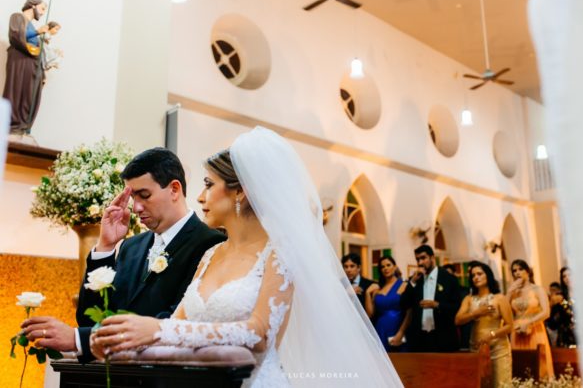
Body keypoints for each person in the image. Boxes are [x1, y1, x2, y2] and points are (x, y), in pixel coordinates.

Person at [91, 127, 402, 387]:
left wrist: (158, 330)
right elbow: (177, 324)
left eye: (209, 185)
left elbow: (259, 333)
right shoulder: (211, 255)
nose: (200, 196)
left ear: (240, 191)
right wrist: (122, 340)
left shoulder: (280, 254)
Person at [21, 147, 226, 362]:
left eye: (144, 196)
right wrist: (105, 247)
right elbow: (90, 318)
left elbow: (175, 322)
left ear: (174, 189)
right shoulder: (131, 246)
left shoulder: (210, 244)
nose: (136, 208)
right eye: (132, 198)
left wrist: (78, 339)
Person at [455, 261, 513, 388]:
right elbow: (458, 320)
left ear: (488, 275)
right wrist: (475, 313)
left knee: (501, 384)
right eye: (473, 275)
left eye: (479, 274)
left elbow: (510, 326)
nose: (476, 277)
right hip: (477, 348)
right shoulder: (469, 299)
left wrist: (491, 335)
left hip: (498, 349)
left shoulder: (499, 298)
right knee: (479, 384)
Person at [401, 244, 462, 352]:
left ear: (432, 257)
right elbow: (403, 304)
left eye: (423, 258)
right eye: (417, 259)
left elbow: (457, 306)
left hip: (442, 335)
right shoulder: (415, 279)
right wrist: (413, 282)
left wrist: (437, 305)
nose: (420, 262)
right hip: (420, 338)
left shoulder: (449, 279)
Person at [3, 0, 48, 135]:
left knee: (30, 93)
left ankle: (24, 125)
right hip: (20, 60)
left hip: (32, 64)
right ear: (33, 5)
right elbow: (16, 34)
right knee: (17, 90)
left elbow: (37, 48)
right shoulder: (18, 17)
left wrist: (43, 71)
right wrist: (37, 32)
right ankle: (13, 125)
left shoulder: (32, 26)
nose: (43, 12)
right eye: (42, 8)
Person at [507, 259, 554, 378]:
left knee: (538, 367)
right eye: (514, 271)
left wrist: (529, 323)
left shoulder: (537, 289)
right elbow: (505, 312)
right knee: (519, 368)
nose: (517, 273)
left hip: (535, 330)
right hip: (516, 332)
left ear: (527, 271)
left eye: (520, 269)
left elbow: (546, 312)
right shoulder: (513, 292)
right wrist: (509, 292)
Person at [365, 256, 409, 352]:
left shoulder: (404, 285)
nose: (385, 268)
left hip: (397, 329)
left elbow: (410, 312)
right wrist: (367, 293)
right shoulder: (378, 288)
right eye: (382, 267)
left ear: (395, 266)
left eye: (388, 265)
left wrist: (401, 332)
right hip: (380, 329)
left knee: (399, 358)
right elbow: (370, 314)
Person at [548, 267, 577, 347]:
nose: (567, 278)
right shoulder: (560, 298)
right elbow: (552, 324)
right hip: (566, 338)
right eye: (564, 276)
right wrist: (551, 305)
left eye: (569, 275)